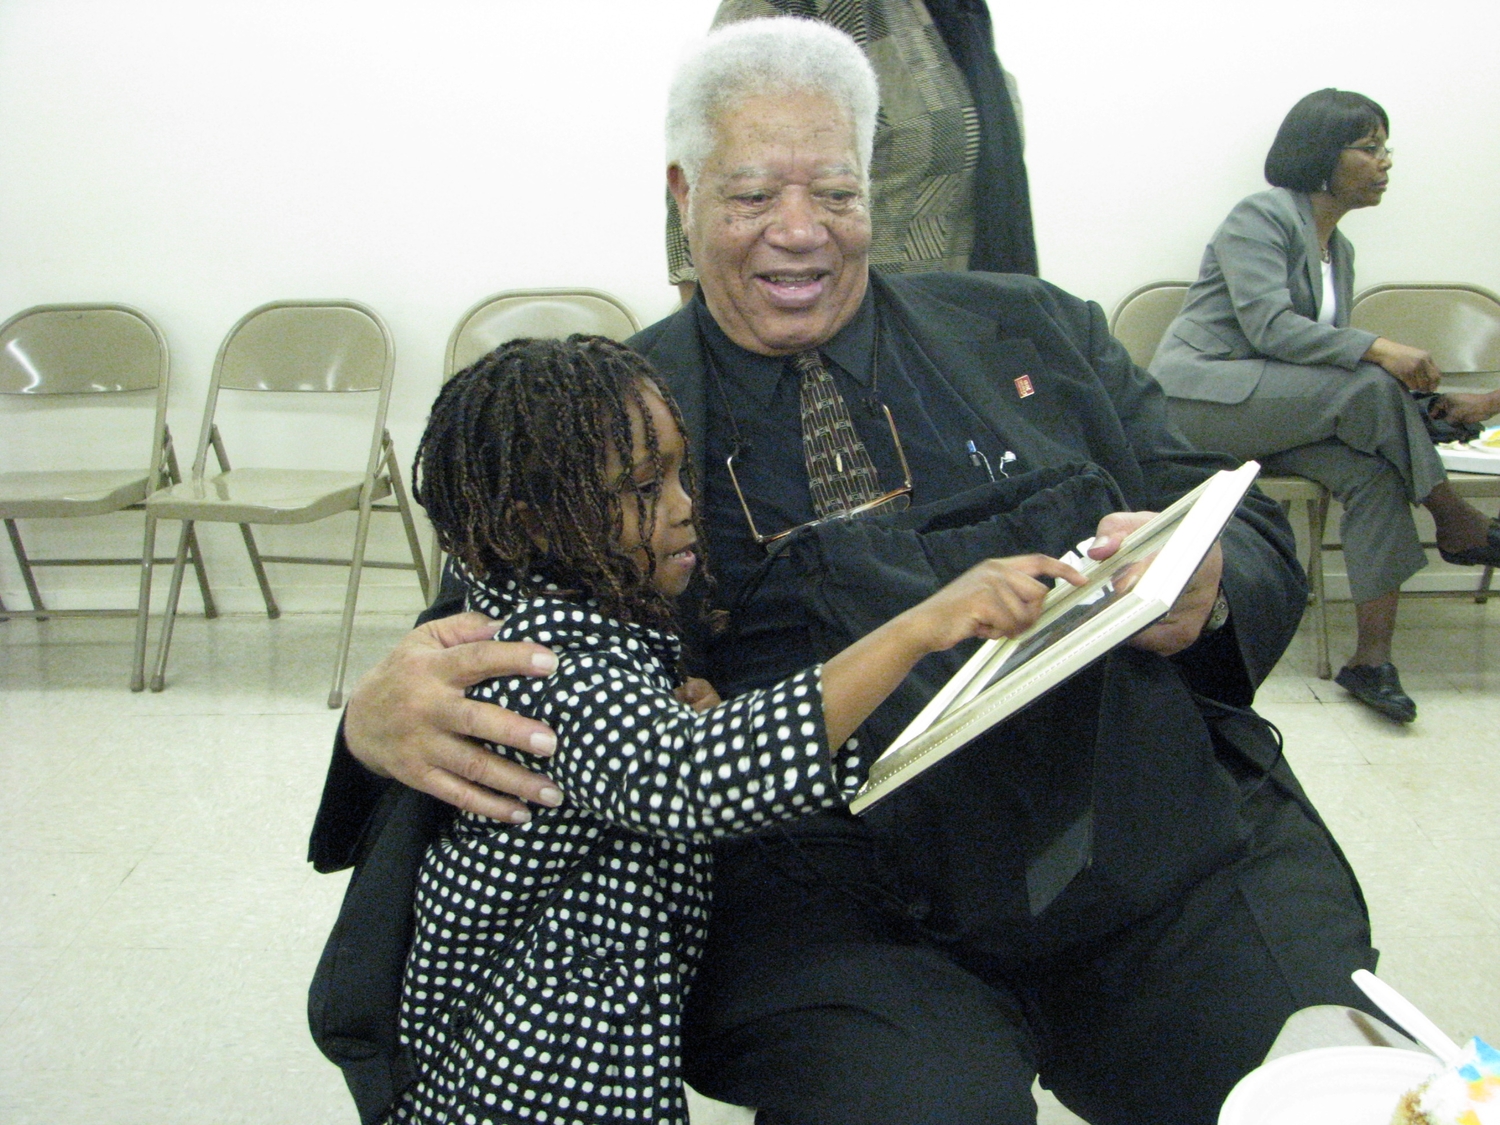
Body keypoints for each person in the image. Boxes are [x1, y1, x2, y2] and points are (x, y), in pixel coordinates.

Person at [312, 20, 1381, 1125]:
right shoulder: (604, 417)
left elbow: (1237, 513)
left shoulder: (1039, 331)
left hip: (1139, 836)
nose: (798, 235)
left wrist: (1209, 578)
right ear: (682, 193)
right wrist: (372, 722)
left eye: (833, 191)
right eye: (750, 196)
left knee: (1325, 1083)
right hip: (823, 907)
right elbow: (480, 647)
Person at [384, 333, 1082, 1123]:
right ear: (525, 525)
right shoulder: (537, 667)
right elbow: (688, 776)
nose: (684, 507)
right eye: (644, 486)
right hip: (529, 1068)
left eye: (680, 473)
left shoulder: (584, 629)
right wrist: (918, 626)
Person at [1151, 89, 1500, 724]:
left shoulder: (1339, 251)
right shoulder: (1259, 217)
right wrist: (1381, 349)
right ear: (1319, 157)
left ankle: (1370, 661)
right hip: (1203, 398)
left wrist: (1409, 395)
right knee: (1369, 386)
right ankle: (1453, 515)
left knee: (1373, 474)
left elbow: (1325, 361)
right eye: (1369, 148)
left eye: (1385, 148)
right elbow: (1269, 329)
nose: (1385, 163)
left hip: (1275, 408)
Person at [666, 0, 1036, 303]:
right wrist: (706, 374)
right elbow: (706, 181)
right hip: (844, 344)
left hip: (961, 329)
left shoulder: (958, 13)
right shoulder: (813, 8)